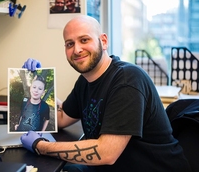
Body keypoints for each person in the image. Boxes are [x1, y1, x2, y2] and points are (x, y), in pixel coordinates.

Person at [20, 15, 191, 171]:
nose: (77, 49)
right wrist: (34, 81)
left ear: (103, 41)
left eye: (84, 40)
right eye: (70, 44)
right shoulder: (85, 81)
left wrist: (40, 145)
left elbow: (106, 153)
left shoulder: (127, 80)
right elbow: (63, 116)